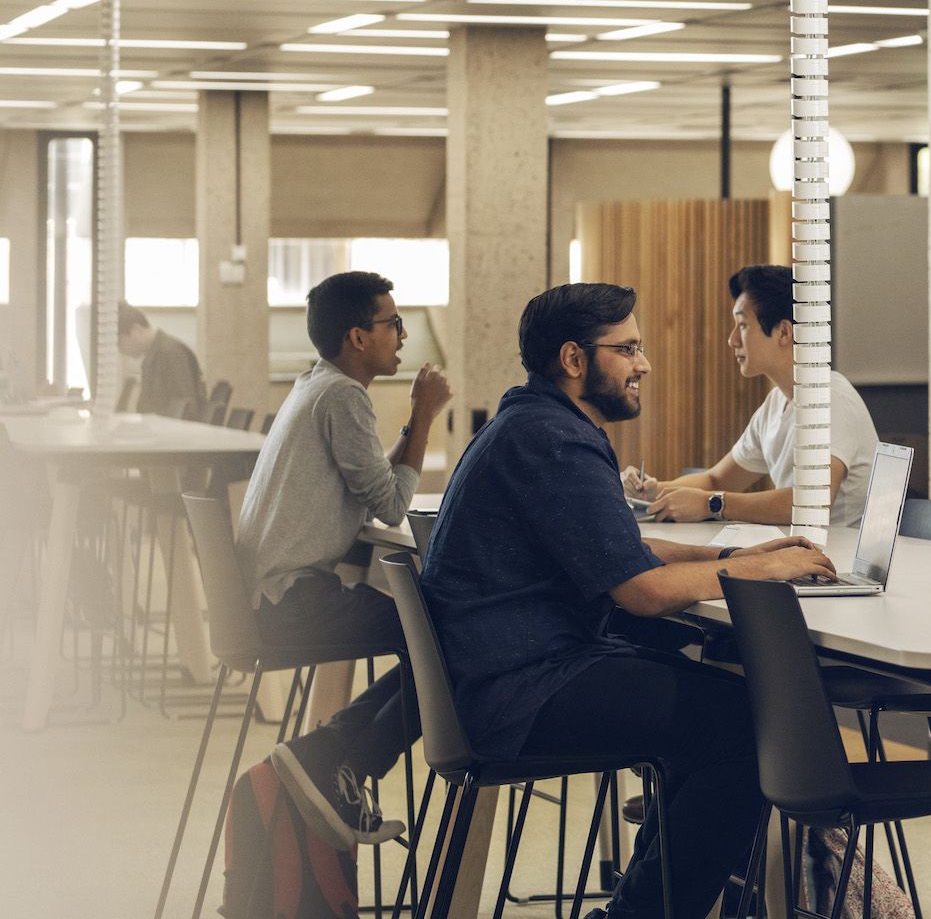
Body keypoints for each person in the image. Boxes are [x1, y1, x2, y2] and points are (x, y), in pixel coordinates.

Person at [421, 282, 839, 919]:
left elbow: (623, 546)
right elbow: (642, 592)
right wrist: (764, 572)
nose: (644, 364)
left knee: (719, 709)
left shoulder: (531, 424)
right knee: (745, 726)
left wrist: (737, 559)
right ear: (574, 359)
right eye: (628, 349)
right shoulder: (557, 440)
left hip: (496, 675)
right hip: (518, 689)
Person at [235, 271, 452, 847]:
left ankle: (330, 756)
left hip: (275, 596)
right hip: (293, 602)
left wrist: (410, 424)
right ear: (358, 337)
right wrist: (425, 415)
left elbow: (371, 481)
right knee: (446, 642)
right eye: (393, 324)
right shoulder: (343, 396)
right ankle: (339, 763)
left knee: (433, 638)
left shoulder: (316, 386)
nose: (402, 336)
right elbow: (391, 505)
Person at [645, 264, 879, 528]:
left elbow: (811, 503)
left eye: (742, 325)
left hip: (835, 562)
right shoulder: (776, 403)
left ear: (783, 332)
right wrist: (651, 492)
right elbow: (717, 480)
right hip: (797, 555)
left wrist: (712, 503)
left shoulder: (830, 399)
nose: (732, 340)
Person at [117, 302, 206, 417]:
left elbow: (185, 408)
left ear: (136, 331)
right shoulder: (157, 352)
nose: (121, 351)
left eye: (119, 343)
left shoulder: (170, 352)